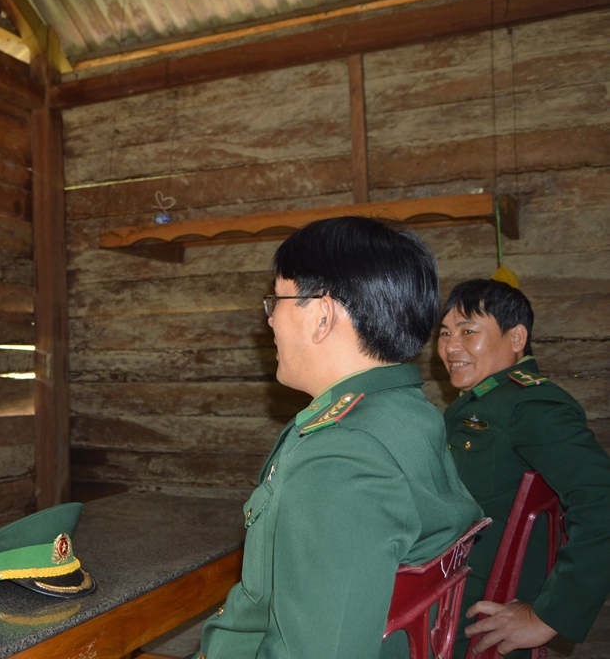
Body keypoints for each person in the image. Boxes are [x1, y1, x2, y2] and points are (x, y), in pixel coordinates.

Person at [193, 216, 482, 659]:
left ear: (322, 315)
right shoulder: (408, 413)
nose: (269, 320)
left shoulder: (340, 456)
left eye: (278, 300)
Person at [439, 279, 610, 659]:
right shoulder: (478, 402)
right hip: (447, 604)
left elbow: (602, 499)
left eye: (469, 331)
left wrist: (547, 616)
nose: (451, 346)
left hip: (476, 621)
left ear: (517, 338)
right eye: (445, 333)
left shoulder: (529, 405)